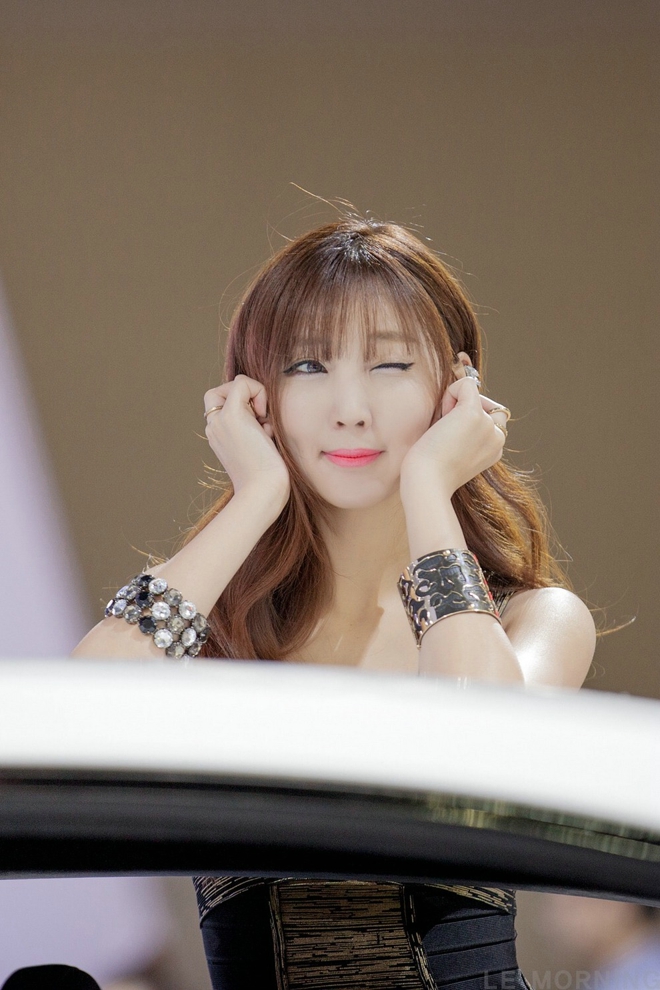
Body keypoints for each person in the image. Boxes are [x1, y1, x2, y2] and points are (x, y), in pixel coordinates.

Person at [73, 215, 597, 989]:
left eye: (390, 364)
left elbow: (479, 750)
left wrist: (429, 487)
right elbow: (80, 717)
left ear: (457, 386)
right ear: (258, 397)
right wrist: (256, 496)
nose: (350, 408)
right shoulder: (216, 632)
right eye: (308, 366)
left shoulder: (531, 619)